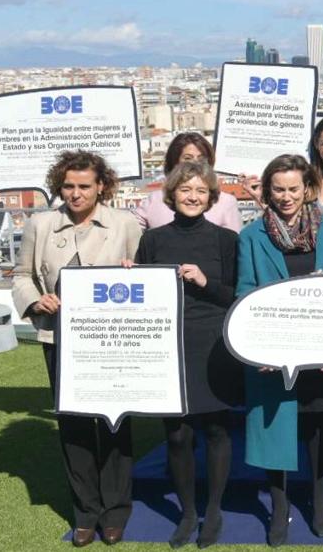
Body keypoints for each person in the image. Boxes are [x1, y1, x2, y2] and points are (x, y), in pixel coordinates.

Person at [13, 151, 142, 547]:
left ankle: (117, 510)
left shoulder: (126, 224)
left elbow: (145, 272)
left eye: (84, 186)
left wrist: (132, 274)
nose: (76, 193)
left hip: (114, 341)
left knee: (115, 424)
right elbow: (22, 275)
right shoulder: (41, 224)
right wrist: (37, 301)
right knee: (73, 427)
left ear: (101, 185)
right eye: (68, 186)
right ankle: (86, 512)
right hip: (60, 340)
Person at [236, 154, 323, 547]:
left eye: (293, 189)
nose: (286, 196)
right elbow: (245, 292)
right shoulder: (252, 236)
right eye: (278, 189)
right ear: (267, 191)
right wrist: (259, 348)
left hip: (320, 350)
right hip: (273, 350)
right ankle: (279, 504)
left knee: (319, 419)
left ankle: (319, 497)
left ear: (308, 190)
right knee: (276, 428)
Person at [130, 161, 240, 548]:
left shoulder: (227, 241)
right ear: (172, 194)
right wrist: (130, 276)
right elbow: (139, 297)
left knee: (215, 429)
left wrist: (205, 281)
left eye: (200, 191)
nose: (193, 197)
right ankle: (188, 511)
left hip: (212, 342)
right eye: (185, 190)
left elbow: (235, 297)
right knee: (176, 434)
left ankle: (213, 510)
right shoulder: (153, 240)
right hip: (167, 344)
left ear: (211, 197)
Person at [133, 132, 242, 232]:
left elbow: (233, 243)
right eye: (188, 158)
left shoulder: (226, 202)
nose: (195, 163)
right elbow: (129, 229)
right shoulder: (155, 200)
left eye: (201, 159)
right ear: (174, 162)